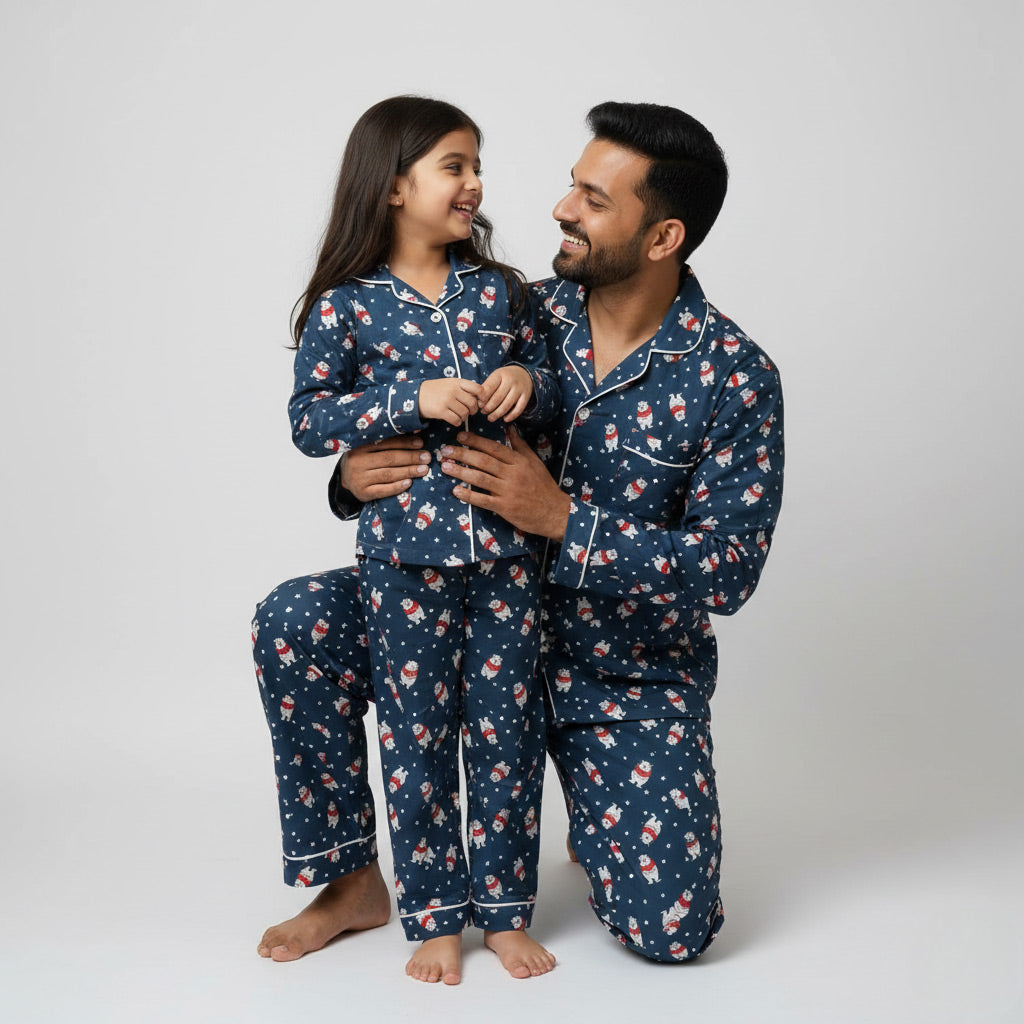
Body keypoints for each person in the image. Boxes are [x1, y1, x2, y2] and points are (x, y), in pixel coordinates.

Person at [255, 99, 784, 972]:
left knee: (674, 932)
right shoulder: (506, 305)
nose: (560, 208)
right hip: (441, 601)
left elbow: (726, 574)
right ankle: (352, 880)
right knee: (295, 620)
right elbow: (375, 413)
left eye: (594, 200)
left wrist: (565, 522)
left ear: (663, 237)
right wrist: (351, 482)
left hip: (613, 667)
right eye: (572, 186)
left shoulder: (734, 377)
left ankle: (592, 801)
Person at [255, 95, 560, 985]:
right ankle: (432, 915)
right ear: (392, 187)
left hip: (506, 559)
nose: (474, 183)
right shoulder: (346, 306)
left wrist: (520, 382)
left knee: (504, 732)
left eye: (475, 166)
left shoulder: (502, 290)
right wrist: (408, 402)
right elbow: (309, 419)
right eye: (454, 166)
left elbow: (551, 388)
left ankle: (504, 913)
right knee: (419, 738)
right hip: (400, 564)